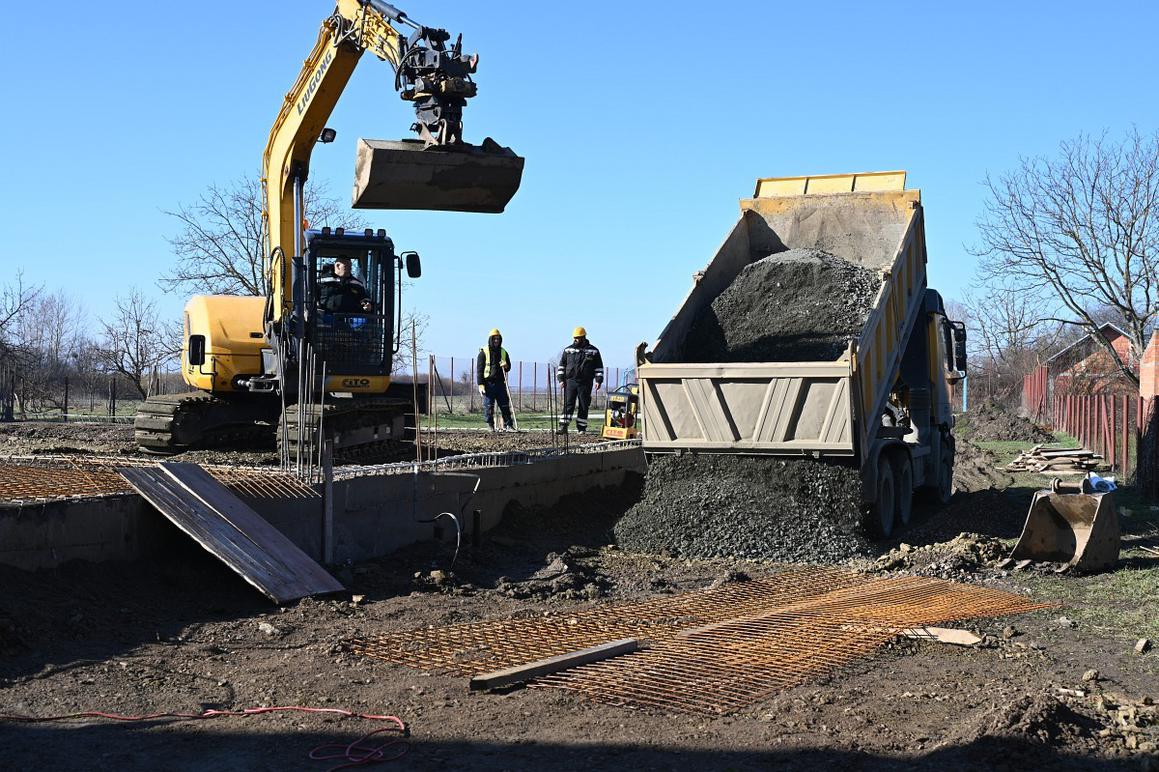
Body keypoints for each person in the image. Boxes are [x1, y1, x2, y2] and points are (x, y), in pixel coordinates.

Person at [556, 326, 603, 433]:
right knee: (568, 403)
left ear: (583, 337)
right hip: (570, 381)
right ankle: (563, 426)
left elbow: (599, 367)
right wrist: (561, 379)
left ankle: (581, 428)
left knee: (584, 404)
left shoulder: (593, 351)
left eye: (578, 337)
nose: (576, 339)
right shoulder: (568, 350)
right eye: (575, 338)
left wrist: (598, 380)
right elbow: (562, 366)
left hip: (586, 382)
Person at [476, 328, 515, 431]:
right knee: (489, 406)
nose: (496, 340)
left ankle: (508, 425)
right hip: (488, 384)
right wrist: (480, 384)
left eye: (498, 338)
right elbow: (479, 370)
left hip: (500, 383)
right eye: (494, 339)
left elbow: (508, 367)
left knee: (504, 405)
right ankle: (490, 425)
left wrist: (505, 365)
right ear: (490, 339)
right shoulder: (483, 353)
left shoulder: (503, 352)